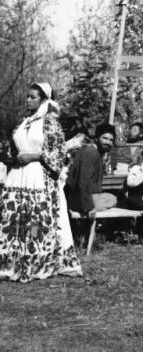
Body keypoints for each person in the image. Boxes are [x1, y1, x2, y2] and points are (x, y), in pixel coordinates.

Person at [0, 83, 81, 282]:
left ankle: (36, 259)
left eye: (33, 97)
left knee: (35, 219)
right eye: (28, 96)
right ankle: (11, 260)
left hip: (38, 174)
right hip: (18, 176)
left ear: (44, 99)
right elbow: (12, 147)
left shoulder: (50, 122)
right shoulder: (23, 121)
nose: (28, 100)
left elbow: (59, 151)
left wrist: (33, 156)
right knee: (14, 215)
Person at [65, 123, 117, 214]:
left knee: (112, 198)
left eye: (111, 140)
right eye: (104, 138)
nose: (108, 142)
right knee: (113, 199)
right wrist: (89, 207)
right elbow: (83, 181)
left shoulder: (95, 153)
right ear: (97, 138)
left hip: (84, 197)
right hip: (79, 200)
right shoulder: (91, 153)